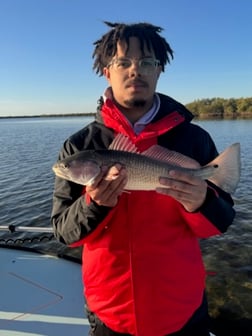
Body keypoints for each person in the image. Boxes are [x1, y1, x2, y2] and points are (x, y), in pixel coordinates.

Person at [51, 21, 236, 336]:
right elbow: (65, 233)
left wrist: (202, 200)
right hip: (109, 314)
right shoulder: (79, 146)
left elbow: (220, 222)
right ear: (107, 72)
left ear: (159, 70)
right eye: (123, 62)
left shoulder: (194, 140)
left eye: (147, 62)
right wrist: (94, 204)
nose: (135, 70)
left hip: (183, 309)